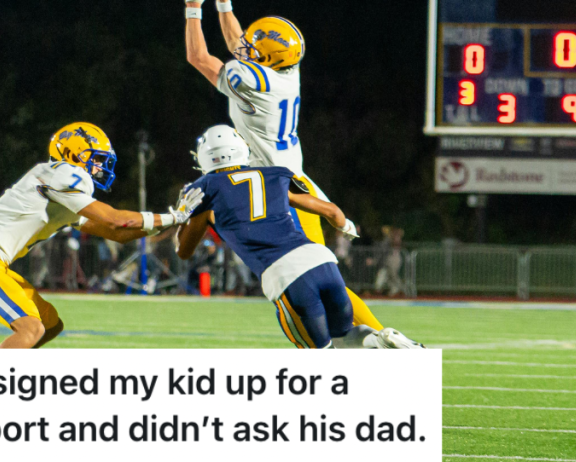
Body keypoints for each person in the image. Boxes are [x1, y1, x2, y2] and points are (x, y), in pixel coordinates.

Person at [178, 0, 386, 333]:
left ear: (267, 59)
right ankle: (375, 337)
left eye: (255, 47)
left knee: (312, 274)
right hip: (287, 178)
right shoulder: (285, 70)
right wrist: (223, 1)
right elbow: (239, 46)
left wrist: (194, 3)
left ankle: (382, 336)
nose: (245, 46)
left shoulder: (256, 84)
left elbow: (199, 57)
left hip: (277, 186)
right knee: (319, 273)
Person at [0, 122, 203, 349]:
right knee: (31, 329)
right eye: (96, 158)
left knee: (50, 325)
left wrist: (166, 224)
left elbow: (116, 233)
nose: (100, 166)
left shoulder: (62, 194)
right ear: (73, 154)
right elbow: (115, 219)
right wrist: (173, 217)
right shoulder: (58, 173)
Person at [175, 126, 423, 349]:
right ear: (241, 149)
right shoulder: (273, 175)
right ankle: (381, 338)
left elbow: (184, 251)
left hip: (285, 274)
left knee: (318, 357)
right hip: (321, 261)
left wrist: (182, 217)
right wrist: (346, 226)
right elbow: (332, 211)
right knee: (345, 335)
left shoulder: (204, 191)